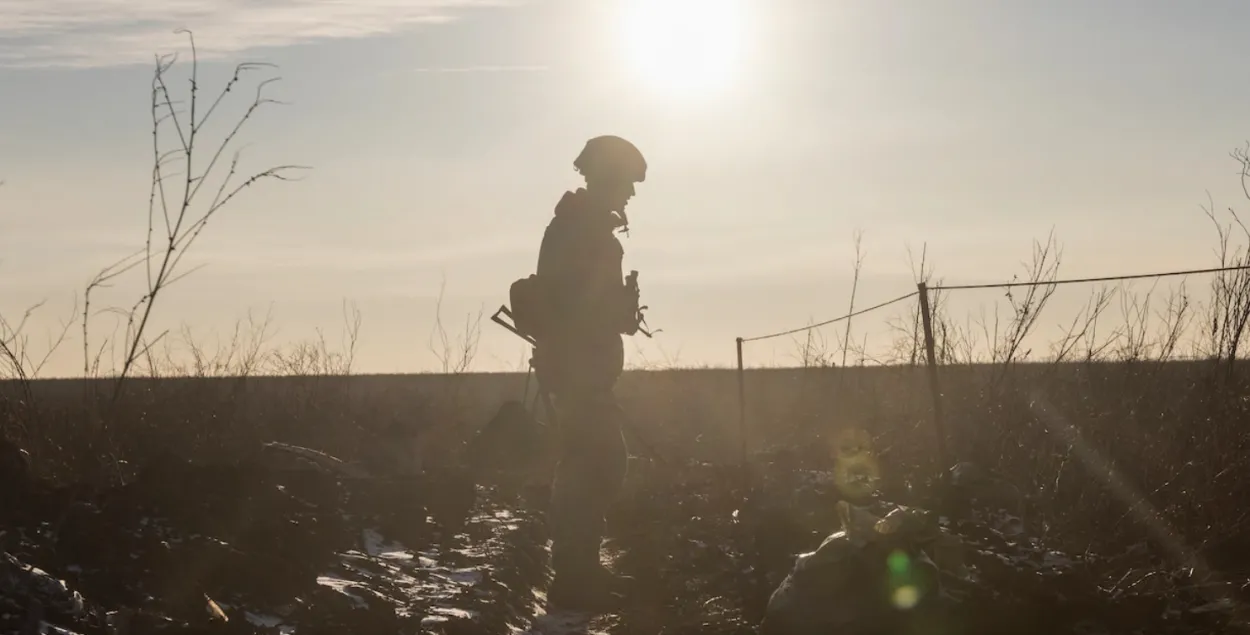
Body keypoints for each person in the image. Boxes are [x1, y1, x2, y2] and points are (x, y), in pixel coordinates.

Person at [532, 135, 647, 611]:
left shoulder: (582, 229)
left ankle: (580, 574)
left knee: (596, 467)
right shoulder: (580, 232)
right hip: (578, 373)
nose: (631, 195)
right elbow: (577, 308)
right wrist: (616, 310)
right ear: (605, 178)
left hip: (580, 371)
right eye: (627, 183)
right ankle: (575, 581)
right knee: (592, 468)